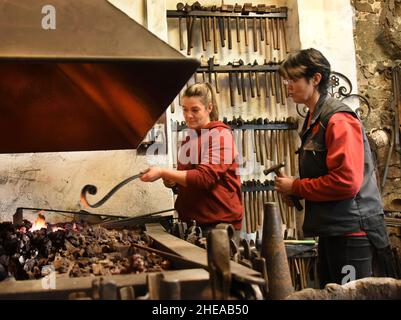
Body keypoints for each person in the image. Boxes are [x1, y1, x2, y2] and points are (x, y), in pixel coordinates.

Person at [275, 48, 390, 288]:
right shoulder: (313, 119)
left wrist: (297, 186)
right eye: (287, 79)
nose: (288, 84)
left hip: (353, 233)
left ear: (315, 79)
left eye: (294, 79)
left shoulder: (338, 119)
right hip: (333, 231)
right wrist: (297, 191)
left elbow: (346, 182)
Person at [140, 82, 243, 239]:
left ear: (209, 107)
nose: (188, 115)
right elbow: (189, 180)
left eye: (195, 110)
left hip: (217, 228)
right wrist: (173, 182)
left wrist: (163, 171)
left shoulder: (220, 136)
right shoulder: (190, 137)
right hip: (193, 225)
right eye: (185, 109)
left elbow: (204, 178)